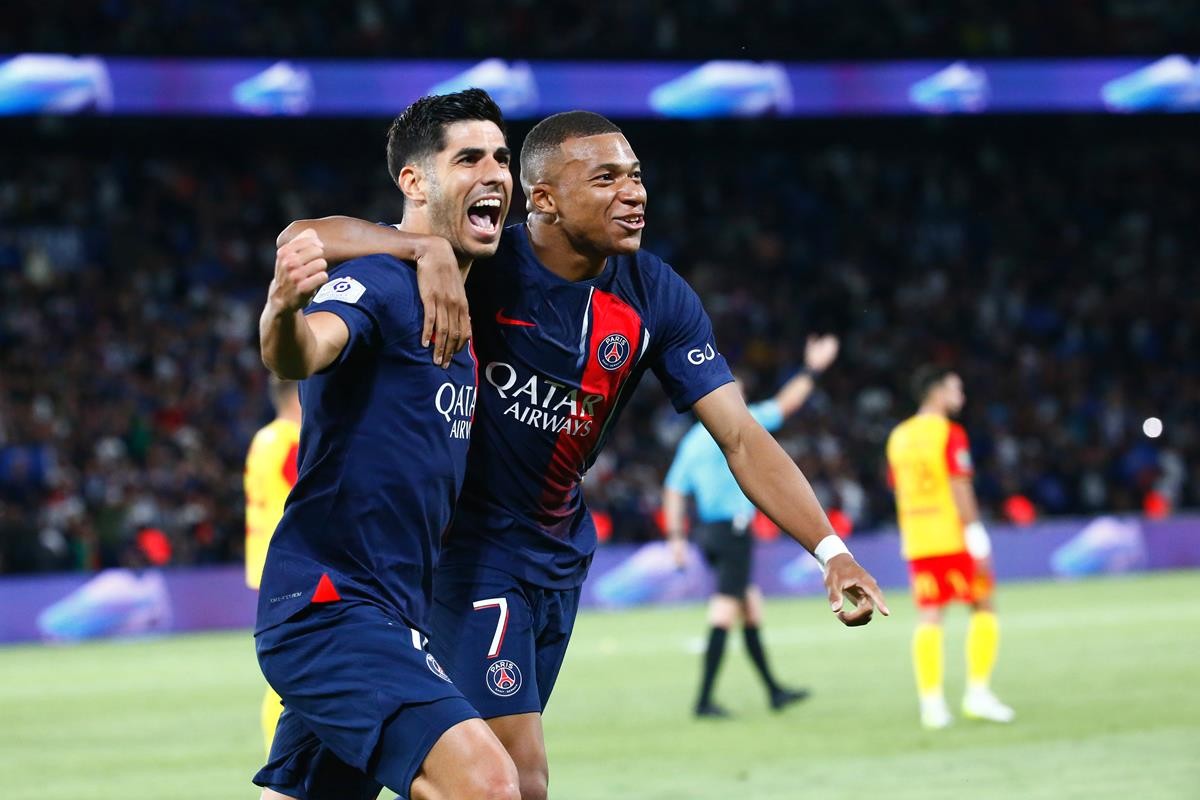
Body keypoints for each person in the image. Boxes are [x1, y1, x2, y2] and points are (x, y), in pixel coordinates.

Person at [280, 110, 888, 800]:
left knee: (330, 786)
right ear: (543, 199)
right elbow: (308, 236)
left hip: (558, 557)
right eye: (606, 179)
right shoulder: (480, 260)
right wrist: (423, 251)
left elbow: (741, 436)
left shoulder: (655, 295)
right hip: (467, 553)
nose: (634, 193)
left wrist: (830, 550)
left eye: (636, 176)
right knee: (513, 778)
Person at [253, 88, 521, 800]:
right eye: (469, 158)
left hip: (391, 611)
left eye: (502, 158)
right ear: (414, 181)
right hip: (332, 607)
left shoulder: (456, 310)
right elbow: (304, 349)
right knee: (490, 785)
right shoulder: (380, 281)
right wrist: (282, 311)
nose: (495, 173)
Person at [663, 334, 840, 718]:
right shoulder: (737, 425)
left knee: (751, 607)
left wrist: (676, 537)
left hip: (709, 533)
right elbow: (787, 403)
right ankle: (703, 701)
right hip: (732, 532)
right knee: (725, 609)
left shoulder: (693, 440)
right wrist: (813, 369)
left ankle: (774, 691)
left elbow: (674, 488)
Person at [886, 366, 1015, 729]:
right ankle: (977, 694)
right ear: (937, 392)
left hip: (918, 538)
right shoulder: (950, 433)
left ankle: (932, 705)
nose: (961, 396)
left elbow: (898, 489)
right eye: (956, 389)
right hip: (952, 535)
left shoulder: (898, 436)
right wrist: (976, 535)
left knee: (930, 616)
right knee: (983, 605)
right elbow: (960, 486)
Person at [243, 376, 301, 755]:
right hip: (291, 564)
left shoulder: (263, 439)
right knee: (291, 666)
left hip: (265, 558)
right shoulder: (293, 441)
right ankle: (279, 752)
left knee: (286, 661)